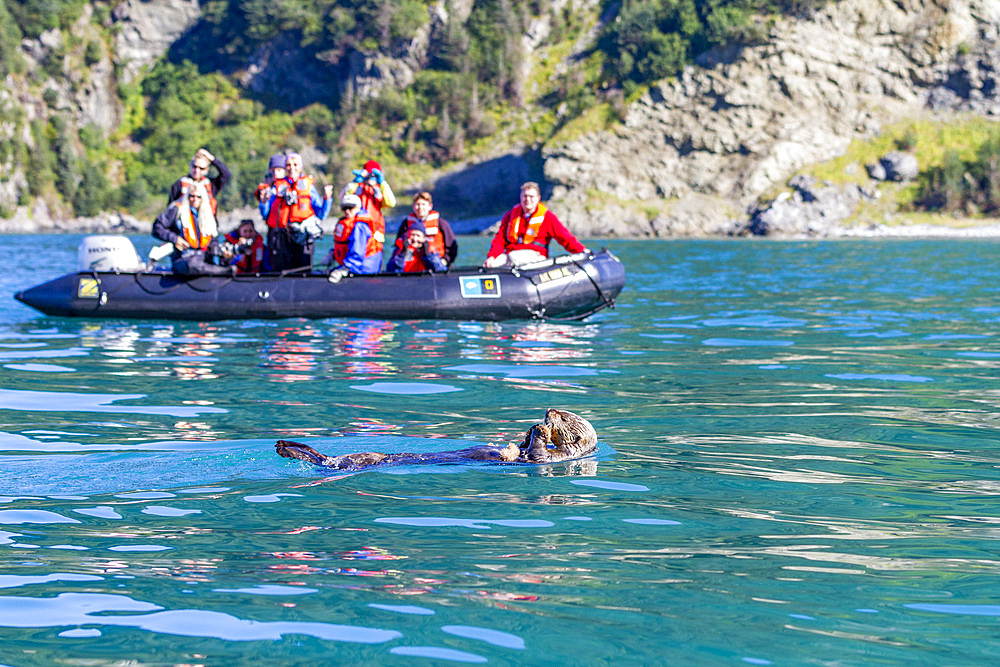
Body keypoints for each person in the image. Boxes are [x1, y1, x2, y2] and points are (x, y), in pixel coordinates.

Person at [484, 181, 588, 267]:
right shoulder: (510, 216)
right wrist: (491, 257)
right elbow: (500, 240)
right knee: (493, 264)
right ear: (520, 197)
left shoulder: (548, 218)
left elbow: (565, 237)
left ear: (538, 198)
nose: (527, 200)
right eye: (525, 196)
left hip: (536, 257)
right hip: (511, 256)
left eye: (531, 196)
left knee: (513, 257)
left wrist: (582, 251)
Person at [259, 152, 333, 272]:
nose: (292, 168)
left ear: (300, 167)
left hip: (302, 235)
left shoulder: (309, 187)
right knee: (280, 270)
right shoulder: (277, 187)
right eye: (288, 165)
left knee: (302, 270)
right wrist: (263, 202)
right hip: (282, 236)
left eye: (295, 164)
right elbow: (266, 214)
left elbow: (321, 214)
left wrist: (327, 199)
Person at [152, 182, 234, 275]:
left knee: (226, 259)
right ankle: (221, 271)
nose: (195, 199)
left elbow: (212, 239)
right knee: (192, 265)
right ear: (187, 197)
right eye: (192, 196)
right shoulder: (177, 210)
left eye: (198, 197)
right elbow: (157, 227)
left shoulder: (207, 216)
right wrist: (175, 239)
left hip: (203, 259)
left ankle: (221, 271)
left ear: (203, 199)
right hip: (183, 259)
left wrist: (222, 251)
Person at [325, 193, 383, 281]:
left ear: (358, 208)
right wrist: (333, 253)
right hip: (353, 266)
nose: (347, 211)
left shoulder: (360, 226)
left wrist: (346, 269)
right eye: (344, 208)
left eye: (350, 208)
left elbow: (357, 252)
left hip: (364, 269)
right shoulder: (348, 223)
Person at [393, 191, 457, 267]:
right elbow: (398, 244)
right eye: (417, 204)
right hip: (411, 264)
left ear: (430, 206)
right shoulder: (406, 223)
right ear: (413, 206)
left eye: (423, 204)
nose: (420, 207)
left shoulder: (441, 223)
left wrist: (446, 260)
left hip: (435, 262)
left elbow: (452, 246)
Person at [346, 159, 395, 254]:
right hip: (356, 232)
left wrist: (382, 182)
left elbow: (391, 203)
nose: (370, 178)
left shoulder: (381, 189)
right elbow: (345, 197)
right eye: (369, 174)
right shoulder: (358, 186)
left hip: (376, 234)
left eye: (373, 175)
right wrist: (355, 181)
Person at [168, 148, 231, 215]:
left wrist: (210, 157)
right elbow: (170, 208)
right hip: (185, 222)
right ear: (190, 166)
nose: (197, 170)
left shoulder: (211, 184)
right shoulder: (179, 184)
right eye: (194, 166)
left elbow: (226, 174)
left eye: (201, 168)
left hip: (206, 223)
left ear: (207, 170)